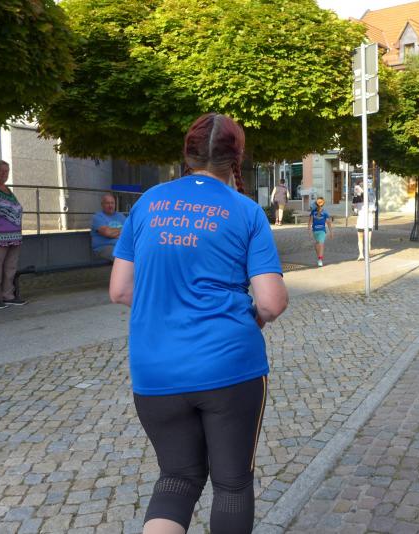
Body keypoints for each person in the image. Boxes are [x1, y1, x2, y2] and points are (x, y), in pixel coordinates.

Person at [109, 112, 288, 534]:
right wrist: (249, 317)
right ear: (236, 158)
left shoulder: (148, 203)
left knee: (177, 477)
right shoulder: (246, 211)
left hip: (155, 370)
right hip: (229, 367)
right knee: (231, 484)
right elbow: (271, 302)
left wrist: (168, 305)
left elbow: (120, 289)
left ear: (187, 154)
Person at [0, 159, 26, 309]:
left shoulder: (8, 190)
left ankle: (8, 295)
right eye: (1, 171)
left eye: (7, 171)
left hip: (14, 236)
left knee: (10, 268)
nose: (5, 174)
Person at [91, 193, 127, 260]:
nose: (110, 205)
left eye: (112, 203)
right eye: (107, 203)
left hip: (121, 246)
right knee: (122, 256)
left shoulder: (121, 216)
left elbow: (129, 231)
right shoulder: (97, 217)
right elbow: (107, 233)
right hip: (104, 247)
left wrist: (113, 232)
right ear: (102, 205)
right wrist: (122, 231)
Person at [308, 197, 333, 267]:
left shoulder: (325, 212)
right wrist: (309, 229)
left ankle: (320, 259)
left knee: (321, 244)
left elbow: (328, 223)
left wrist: (331, 232)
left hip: (322, 231)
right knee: (317, 244)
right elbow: (310, 221)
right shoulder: (313, 212)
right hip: (315, 230)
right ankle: (319, 257)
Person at [355, 195, 375, 261]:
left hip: (360, 223)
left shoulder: (358, 204)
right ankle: (367, 256)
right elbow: (373, 211)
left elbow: (355, 211)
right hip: (369, 224)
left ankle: (361, 255)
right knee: (368, 241)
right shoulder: (371, 204)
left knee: (360, 240)